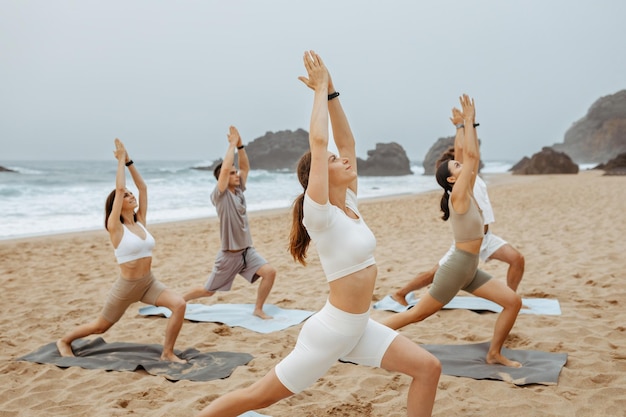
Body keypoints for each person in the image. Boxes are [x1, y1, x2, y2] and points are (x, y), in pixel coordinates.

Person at [193, 51, 441, 417]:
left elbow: (347, 143)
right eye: (332, 161)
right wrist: (318, 91)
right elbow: (320, 143)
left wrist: (333, 92)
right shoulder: (319, 213)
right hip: (331, 333)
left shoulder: (350, 203)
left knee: (428, 368)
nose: (344, 160)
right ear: (316, 179)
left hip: (359, 327)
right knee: (257, 397)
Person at [381, 95, 523, 368]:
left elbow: (470, 156)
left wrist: (464, 127)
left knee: (512, 302)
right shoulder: (457, 195)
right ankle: (362, 338)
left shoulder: (465, 189)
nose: (461, 165)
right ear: (450, 179)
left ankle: (494, 353)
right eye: (456, 167)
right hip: (457, 267)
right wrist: (469, 122)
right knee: (416, 315)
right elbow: (469, 155)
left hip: (470, 268)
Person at [56, 138, 187, 363]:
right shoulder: (115, 227)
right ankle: (64, 341)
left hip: (149, 283)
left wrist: (129, 161)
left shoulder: (141, 221)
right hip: (126, 287)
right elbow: (118, 189)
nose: (131, 195)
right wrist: (119, 162)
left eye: (130, 193)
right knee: (101, 327)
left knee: (179, 305)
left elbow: (143, 187)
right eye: (126, 195)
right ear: (117, 203)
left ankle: (167, 353)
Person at [391, 114, 525, 306]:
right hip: (467, 244)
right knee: (433, 274)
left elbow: (470, 152)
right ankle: (401, 293)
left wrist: (467, 124)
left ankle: (509, 297)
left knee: (517, 259)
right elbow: (464, 151)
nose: (461, 164)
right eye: (457, 163)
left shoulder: (473, 177)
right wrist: (462, 126)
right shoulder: (463, 185)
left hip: (487, 237)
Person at [183, 125, 276, 320]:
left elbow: (245, 167)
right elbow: (225, 169)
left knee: (269, 272)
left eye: (236, 173)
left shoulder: (239, 191)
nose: (237, 175)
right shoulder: (220, 195)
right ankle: (179, 300)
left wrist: (241, 147)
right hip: (229, 256)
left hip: (247, 252)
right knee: (208, 291)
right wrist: (232, 145)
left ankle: (258, 309)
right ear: (223, 179)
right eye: (232, 174)